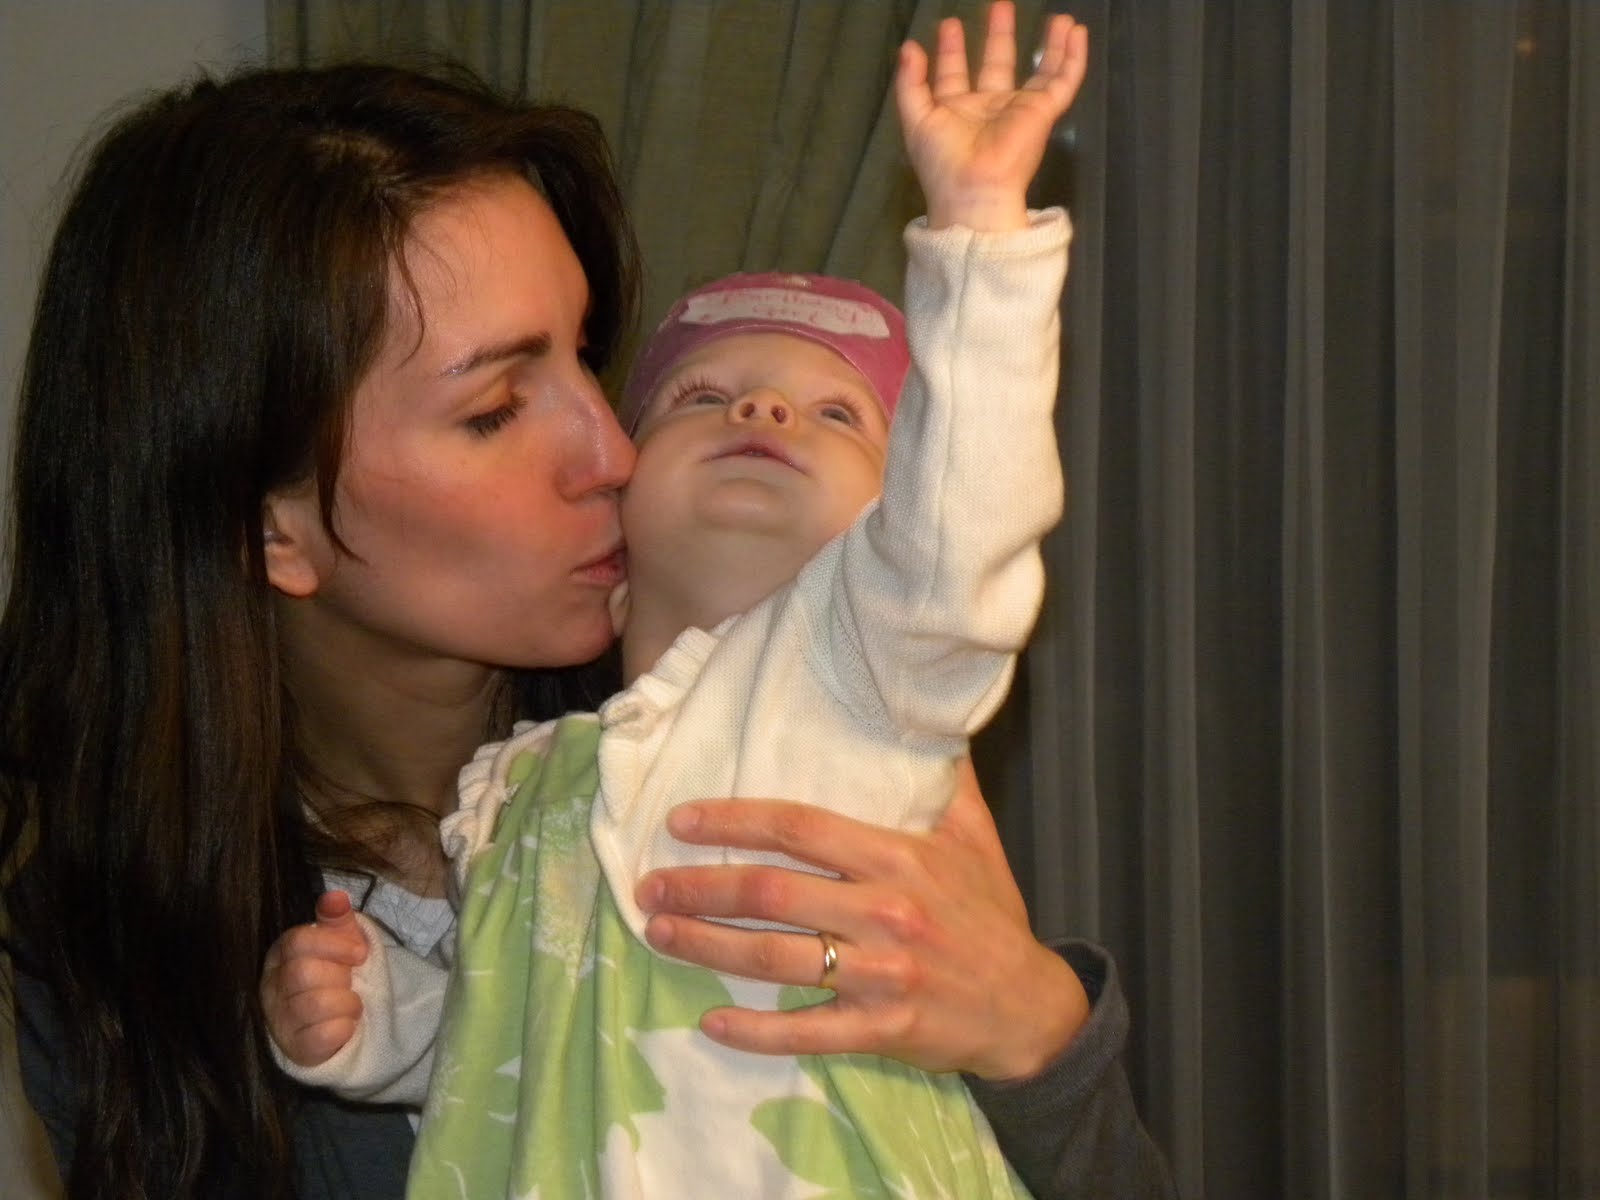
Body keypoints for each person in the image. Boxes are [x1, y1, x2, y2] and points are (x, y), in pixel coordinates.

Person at [1, 12, 1172, 1200]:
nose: (613, 448)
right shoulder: (120, 939)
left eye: (587, 353)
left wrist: (1035, 1038)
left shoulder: (765, 723)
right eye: (495, 410)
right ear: (269, 529)